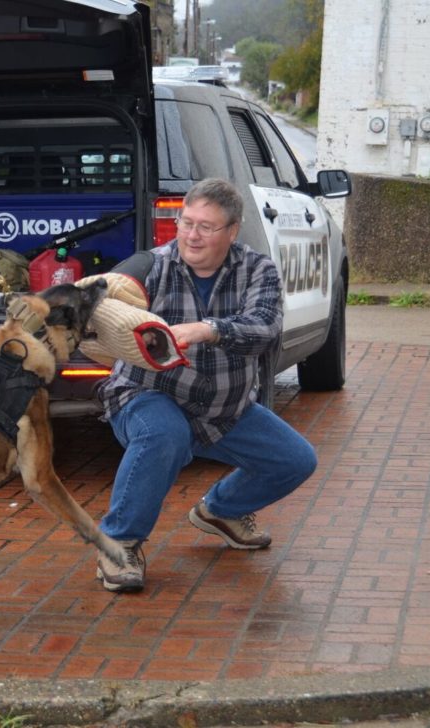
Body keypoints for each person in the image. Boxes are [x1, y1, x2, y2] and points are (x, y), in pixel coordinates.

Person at [95, 178, 316, 593]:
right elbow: (109, 293)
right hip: (148, 394)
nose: (191, 235)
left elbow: (266, 329)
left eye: (206, 227)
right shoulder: (153, 265)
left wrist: (207, 330)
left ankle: (221, 511)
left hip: (223, 408)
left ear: (232, 232)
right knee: (164, 434)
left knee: (296, 459)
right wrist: (94, 301)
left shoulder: (258, 270)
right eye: (186, 222)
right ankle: (118, 544)